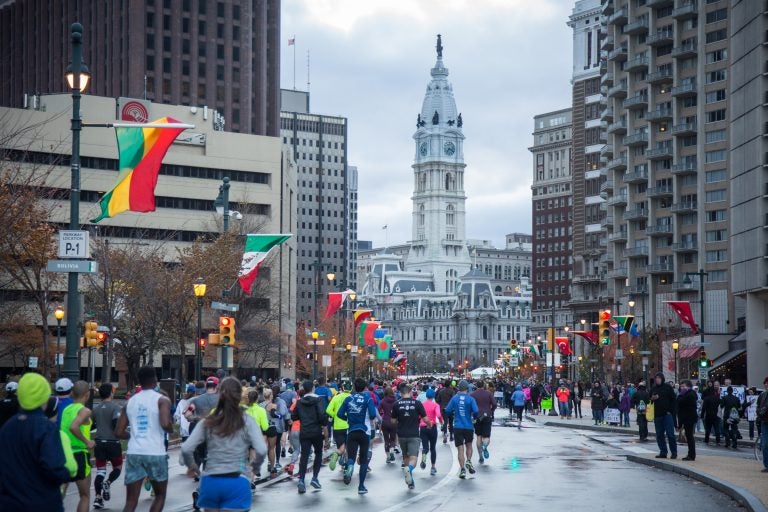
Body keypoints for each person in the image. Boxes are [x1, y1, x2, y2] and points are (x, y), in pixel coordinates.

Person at [182, 377, 266, 511]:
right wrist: (254, 468)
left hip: (211, 481)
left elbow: (186, 448)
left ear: (219, 394)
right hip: (237, 480)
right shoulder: (247, 420)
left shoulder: (209, 420)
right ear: (239, 396)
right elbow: (261, 449)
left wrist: (193, 466)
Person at [0, 372, 72, 511]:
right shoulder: (46, 428)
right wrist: (66, 473)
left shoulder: (7, 428)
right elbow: (53, 467)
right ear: (44, 398)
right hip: (42, 501)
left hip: (9, 503)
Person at [116, 365, 174, 512]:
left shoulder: (130, 402)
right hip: (156, 453)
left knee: (130, 501)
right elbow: (165, 423)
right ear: (155, 379)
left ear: (139, 382)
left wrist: (133, 435)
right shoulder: (162, 400)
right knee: (160, 495)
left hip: (135, 452)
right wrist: (171, 429)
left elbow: (118, 432)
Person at [337, 378, 378, 494]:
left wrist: (348, 419)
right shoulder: (368, 398)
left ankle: (350, 467)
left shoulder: (348, 398)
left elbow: (340, 414)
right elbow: (372, 415)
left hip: (352, 431)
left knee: (351, 457)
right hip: (365, 432)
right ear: (365, 387)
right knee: (363, 460)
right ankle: (361, 486)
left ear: (354, 387)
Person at [60, 380, 94, 512]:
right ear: (87, 394)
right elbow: (73, 426)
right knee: (85, 495)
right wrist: (87, 441)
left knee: (60, 492)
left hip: (64, 454)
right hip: (80, 454)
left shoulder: (66, 409)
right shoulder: (85, 410)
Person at [291, 380, 328, 494]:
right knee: (318, 453)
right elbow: (322, 415)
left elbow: (294, 416)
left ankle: (301, 480)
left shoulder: (299, 402)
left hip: (305, 431)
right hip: (316, 431)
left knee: (304, 456)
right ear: (312, 388)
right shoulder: (318, 400)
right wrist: (324, 423)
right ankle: (315, 478)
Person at [391, 382, 430, 489]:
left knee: (406, 457)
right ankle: (410, 470)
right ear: (409, 392)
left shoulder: (396, 404)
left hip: (402, 434)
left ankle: (410, 481)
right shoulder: (417, 403)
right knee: (413, 458)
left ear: (401, 392)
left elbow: (393, 421)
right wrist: (429, 425)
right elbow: (425, 419)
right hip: (413, 434)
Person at [91, 383, 123, 509]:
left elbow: (91, 425)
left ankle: (98, 498)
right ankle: (108, 483)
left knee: (100, 472)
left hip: (99, 443)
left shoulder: (96, 409)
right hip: (113, 443)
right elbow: (116, 424)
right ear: (111, 393)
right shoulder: (116, 407)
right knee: (118, 468)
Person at [445, 380, 479, 479]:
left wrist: (451, 414)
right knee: (469, 445)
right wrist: (474, 417)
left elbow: (447, 410)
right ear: (467, 388)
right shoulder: (471, 399)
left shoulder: (454, 398)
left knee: (460, 449)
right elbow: (476, 411)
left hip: (458, 426)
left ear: (458, 388)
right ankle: (469, 460)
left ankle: (462, 469)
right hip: (468, 426)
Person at [650, 372, 677, 459]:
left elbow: (674, 400)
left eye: (659, 378)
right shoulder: (653, 388)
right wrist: (652, 398)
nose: (657, 379)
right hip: (657, 415)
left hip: (667, 414)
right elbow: (648, 399)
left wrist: (671, 411)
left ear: (662, 379)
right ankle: (663, 452)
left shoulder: (668, 388)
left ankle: (674, 452)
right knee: (659, 435)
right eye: (656, 378)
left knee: (670, 434)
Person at [326, 381, 352, 471]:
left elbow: (328, 410)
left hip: (337, 426)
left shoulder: (336, 397)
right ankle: (346, 466)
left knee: (341, 446)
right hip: (349, 426)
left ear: (342, 388)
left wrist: (335, 416)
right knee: (348, 447)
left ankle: (337, 454)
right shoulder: (351, 398)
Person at [418, 387, 442, 475]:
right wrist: (441, 422)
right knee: (433, 448)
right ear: (434, 396)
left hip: (423, 427)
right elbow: (439, 415)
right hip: (432, 427)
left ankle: (424, 454)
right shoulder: (436, 405)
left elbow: (419, 416)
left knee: (425, 447)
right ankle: (433, 467)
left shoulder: (421, 404)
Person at [470, 380, 495, 463]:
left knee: (479, 436)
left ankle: (480, 456)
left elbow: (470, 406)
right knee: (486, 436)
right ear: (484, 385)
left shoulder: (473, 395)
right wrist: (491, 410)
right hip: (487, 415)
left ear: (476, 385)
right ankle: (485, 446)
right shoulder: (488, 393)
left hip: (477, 416)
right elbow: (494, 404)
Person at [676, 380, 697, 461]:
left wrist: (681, 395)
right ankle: (691, 454)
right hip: (686, 418)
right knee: (689, 436)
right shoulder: (688, 394)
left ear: (688, 386)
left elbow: (680, 402)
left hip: (689, 418)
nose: (682, 388)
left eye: (683, 386)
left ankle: (691, 455)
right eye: (681, 386)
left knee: (689, 437)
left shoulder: (690, 394)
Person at [378, 386, 398, 462]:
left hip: (385, 421)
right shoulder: (396, 401)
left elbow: (378, 411)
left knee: (386, 440)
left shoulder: (382, 401)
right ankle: (392, 451)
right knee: (392, 439)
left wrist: (381, 417)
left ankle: (388, 456)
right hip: (394, 422)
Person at [721, 386, 741, 450]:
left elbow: (722, 406)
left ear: (727, 391)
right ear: (732, 391)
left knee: (726, 429)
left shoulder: (724, 398)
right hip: (734, 415)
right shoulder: (736, 398)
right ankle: (734, 443)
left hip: (727, 416)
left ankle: (727, 442)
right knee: (734, 429)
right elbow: (739, 406)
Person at [435, 379, 455, 444]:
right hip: (451, 409)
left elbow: (437, 400)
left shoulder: (441, 391)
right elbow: (454, 400)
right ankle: (451, 435)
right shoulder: (452, 391)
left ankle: (445, 434)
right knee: (451, 423)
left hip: (443, 409)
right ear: (450, 384)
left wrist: (441, 404)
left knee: (445, 422)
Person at [756, 376, 768, 473]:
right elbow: (758, 406)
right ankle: (767, 465)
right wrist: (759, 414)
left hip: (764, 420)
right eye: (766, 383)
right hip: (765, 422)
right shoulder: (762, 395)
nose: (767, 384)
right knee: (765, 444)